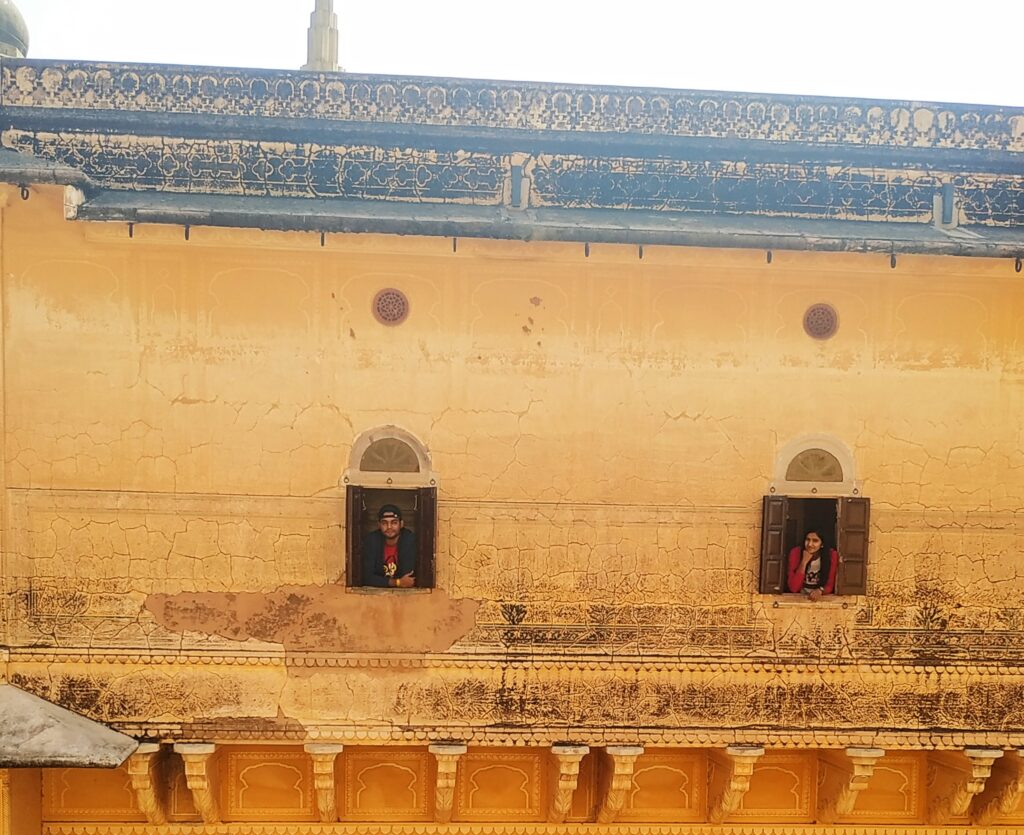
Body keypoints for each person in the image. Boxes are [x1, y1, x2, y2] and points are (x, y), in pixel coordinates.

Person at [361, 504, 416, 588]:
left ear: (401, 524)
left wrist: (383, 581)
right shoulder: (371, 541)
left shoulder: (410, 540)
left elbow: (409, 578)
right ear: (379, 525)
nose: (389, 527)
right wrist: (397, 582)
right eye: (384, 523)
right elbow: (366, 577)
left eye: (394, 522)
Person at [786, 529, 838, 600]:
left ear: (822, 544)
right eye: (808, 540)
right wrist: (804, 562)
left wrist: (820, 591)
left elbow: (830, 583)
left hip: (821, 598)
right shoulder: (796, 553)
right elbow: (794, 588)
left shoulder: (831, 555)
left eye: (815, 541)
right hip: (800, 598)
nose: (810, 544)